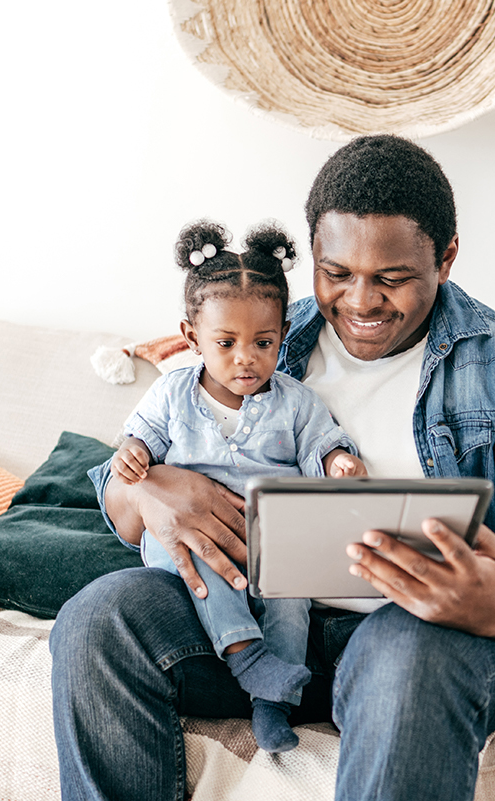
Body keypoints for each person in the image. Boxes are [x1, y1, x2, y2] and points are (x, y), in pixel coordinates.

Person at [51, 134, 495, 801]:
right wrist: (148, 491)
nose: (360, 301)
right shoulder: (259, 335)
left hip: (420, 636)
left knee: (405, 656)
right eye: (336, 272)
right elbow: (123, 502)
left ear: (448, 257)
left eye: (392, 278)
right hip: (257, 622)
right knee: (96, 619)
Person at [101, 219, 366, 753]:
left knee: (291, 598)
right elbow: (138, 441)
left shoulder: (294, 401)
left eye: (263, 342)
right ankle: (248, 659)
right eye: (226, 343)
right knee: (202, 564)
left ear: (282, 336)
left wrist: (338, 461)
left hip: (269, 537)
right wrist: (132, 456)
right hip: (186, 538)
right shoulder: (172, 395)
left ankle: (273, 704)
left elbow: (322, 443)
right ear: (191, 336)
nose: (246, 357)